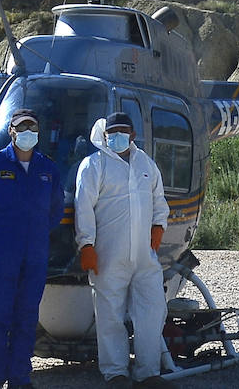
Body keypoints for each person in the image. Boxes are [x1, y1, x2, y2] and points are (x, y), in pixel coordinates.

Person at [0, 108, 63, 389]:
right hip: (2, 254)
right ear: (11, 131)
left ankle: (19, 378)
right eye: (22, 127)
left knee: (27, 317)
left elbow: (56, 211)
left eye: (32, 127)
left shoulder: (48, 168)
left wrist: (38, 232)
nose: (27, 132)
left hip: (35, 255)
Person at [74, 112, 171, 388]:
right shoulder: (94, 165)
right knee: (109, 314)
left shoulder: (146, 164)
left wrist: (158, 226)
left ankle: (148, 372)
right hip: (107, 255)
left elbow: (159, 201)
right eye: (111, 132)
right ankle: (116, 373)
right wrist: (87, 245)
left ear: (133, 134)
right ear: (105, 135)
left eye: (122, 131)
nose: (116, 136)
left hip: (144, 257)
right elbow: (84, 208)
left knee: (152, 312)